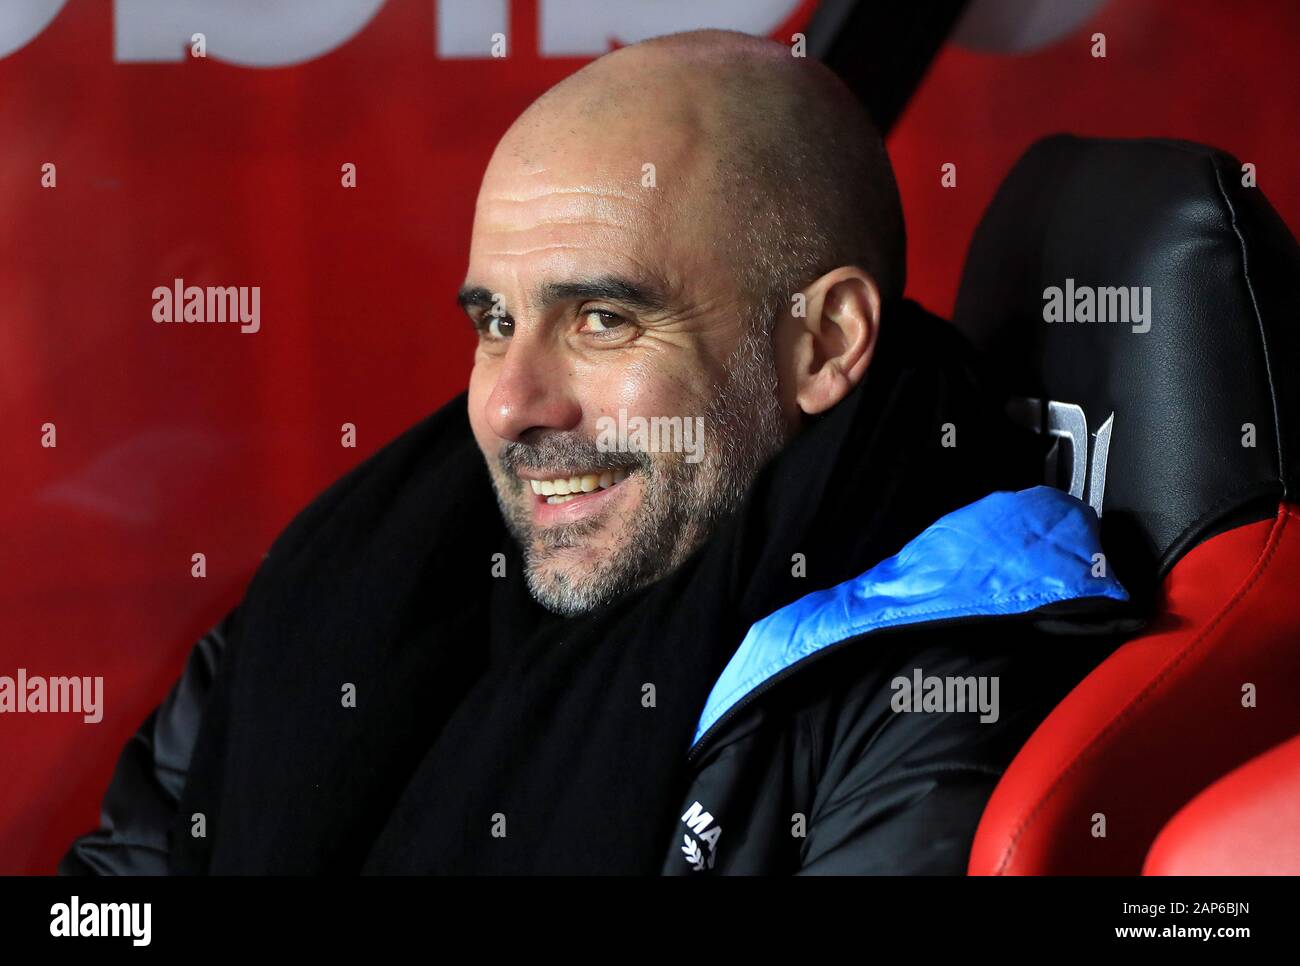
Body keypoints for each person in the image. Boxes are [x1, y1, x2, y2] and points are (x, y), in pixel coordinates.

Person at [61, 30, 1128, 876]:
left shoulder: (939, 688)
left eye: (602, 320)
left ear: (822, 343)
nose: (510, 404)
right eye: (493, 322)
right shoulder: (343, 586)